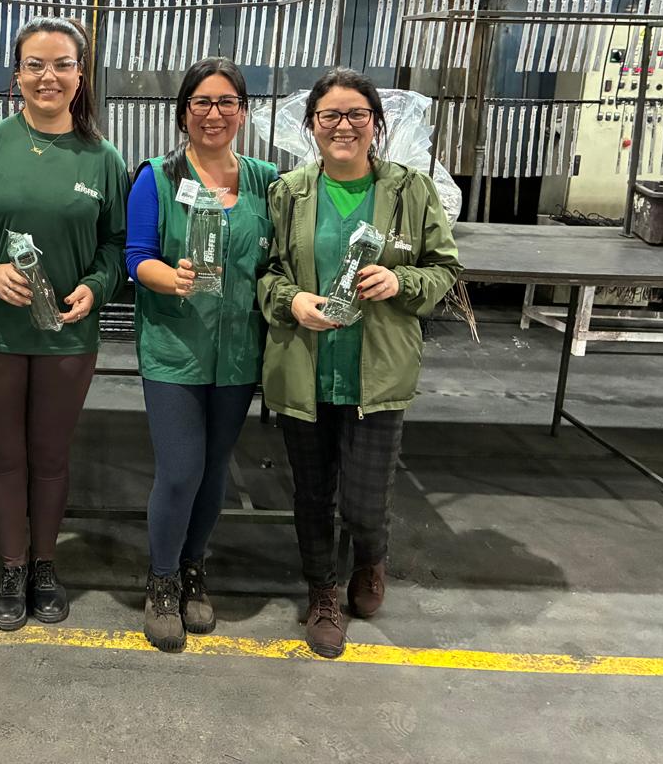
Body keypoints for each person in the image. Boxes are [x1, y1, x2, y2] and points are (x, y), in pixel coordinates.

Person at [257, 67, 461, 659]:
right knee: (312, 496)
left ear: (376, 123)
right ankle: (322, 594)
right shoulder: (288, 192)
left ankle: (371, 557)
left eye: (356, 115)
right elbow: (264, 273)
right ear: (312, 125)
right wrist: (292, 300)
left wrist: (400, 282)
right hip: (305, 369)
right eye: (330, 115)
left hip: (377, 374)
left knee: (366, 504)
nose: (343, 126)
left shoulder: (410, 190)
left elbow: (445, 269)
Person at [0, 16, 130, 631]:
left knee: (50, 457)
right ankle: (11, 567)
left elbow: (117, 245)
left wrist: (96, 286)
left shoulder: (103, 159)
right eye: (35, 65)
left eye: (62, 65)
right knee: (4, 457)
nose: (49, 77)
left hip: (67, 335)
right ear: (17, 75)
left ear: (81, 75)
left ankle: (45, 565)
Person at [125, 57, 277, 652]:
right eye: (202, 102)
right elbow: (136, 257)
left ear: (243, 111)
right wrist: (172, 278)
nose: (214, 114)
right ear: (183, 111)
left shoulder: (266, 180)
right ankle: (162, 579)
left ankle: (194, 568)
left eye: (226, 102)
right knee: (181, 469)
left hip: (238, 352)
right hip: (176, 349)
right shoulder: (157, 177)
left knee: (215, 471)